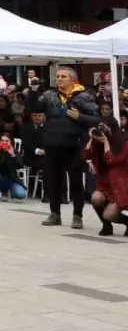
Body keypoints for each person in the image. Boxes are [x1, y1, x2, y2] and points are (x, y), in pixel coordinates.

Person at [40, 67, 98, 229]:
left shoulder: (84, 96)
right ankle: (55, 214)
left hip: (74, 146)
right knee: (54, 181)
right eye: (57, 76)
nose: (59, 79)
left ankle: (77, 216)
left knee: (76, 182)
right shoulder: (50, 96)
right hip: (53, 145)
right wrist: (34, 90)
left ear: (72, 79)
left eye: (63, 76)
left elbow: (96, 119)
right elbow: (33, 109)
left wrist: (80, 117)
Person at [85, 123, 128, 237]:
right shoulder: (98, 145)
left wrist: (106, 142)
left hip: (120, 186)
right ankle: (106, 226)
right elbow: (86, 154)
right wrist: (92, 137)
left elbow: (110, 160)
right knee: (96, 198)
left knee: (109, 214)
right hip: (105, 184)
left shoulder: (123, 146)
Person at [0, 134, 27, 202]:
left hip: (11, 179)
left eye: (7, 141)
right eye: (2, 140)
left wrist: (12, 155)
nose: (4, 142)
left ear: (11, 142)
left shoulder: (16, 153)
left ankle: (10, 191)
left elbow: (19, 166)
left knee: (21, 194)